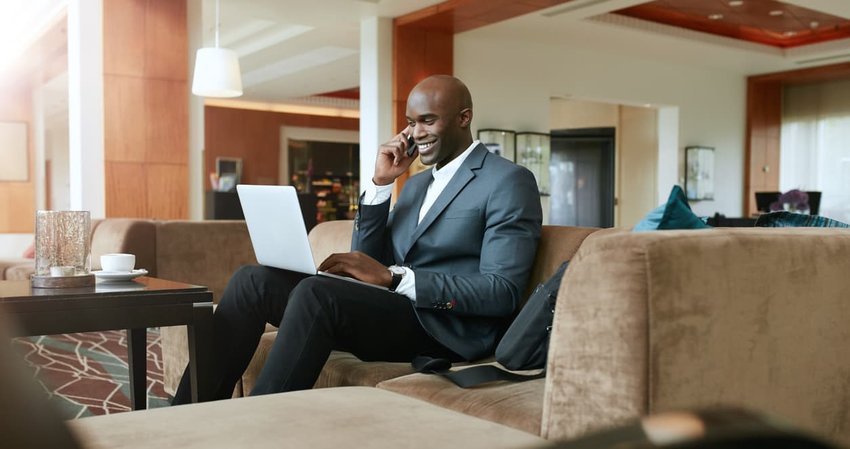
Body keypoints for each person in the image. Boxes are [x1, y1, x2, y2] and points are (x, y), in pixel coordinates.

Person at [172, 74, 542, 404]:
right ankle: (185, 415)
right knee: (252, 280)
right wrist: (381, 185)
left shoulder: (507, 181)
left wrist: (397, 279)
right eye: (411, 123)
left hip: (445, 329)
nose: (416, 133)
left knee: (317, 294)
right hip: (391, 311)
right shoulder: (414, 185)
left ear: (464, 118)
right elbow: (365, 258)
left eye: (428, 120)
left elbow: (502, 290)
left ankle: (258, 431)